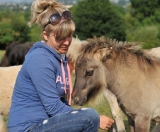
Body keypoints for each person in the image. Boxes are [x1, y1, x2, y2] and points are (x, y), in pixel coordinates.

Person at [7, 0, 114, 131]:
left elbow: (61, 103)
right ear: (45, 35)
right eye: (59, 38)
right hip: (28, 128)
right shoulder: (40, 59)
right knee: (90, 116)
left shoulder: (60, 57)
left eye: (68, 36)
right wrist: (95, 119)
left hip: (46, 124)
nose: (66, 42)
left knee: (87, 116)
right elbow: (53, 107)